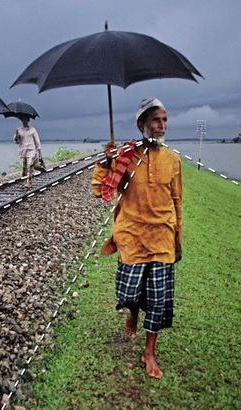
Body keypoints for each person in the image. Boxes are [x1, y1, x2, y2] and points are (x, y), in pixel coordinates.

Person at [91, 98, 182, 379]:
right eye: (156, 120)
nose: (161, 125)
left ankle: (149, 352)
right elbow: (99, 189)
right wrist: (107, 161)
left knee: (158, 300)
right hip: (131, 234)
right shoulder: (125, 156)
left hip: (162, 236)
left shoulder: (173, 159)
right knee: (129, 292)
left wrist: (177, 237)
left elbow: (177, 200)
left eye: (164, 119)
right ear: (142, 124)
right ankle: (132, 311)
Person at [13, 115, 43, 188]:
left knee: (29, 165)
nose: (24, 121)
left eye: (26, 120)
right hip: (23, 151)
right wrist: (17, 136)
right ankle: (28, 174)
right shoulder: (18, 130)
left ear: (28, 121)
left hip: (32, 150)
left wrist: (40, 153)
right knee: (25, 167)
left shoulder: (32, 130)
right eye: (23, 120)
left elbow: (37, 141)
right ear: (22, 121)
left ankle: (29, 182)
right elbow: (16, 141)